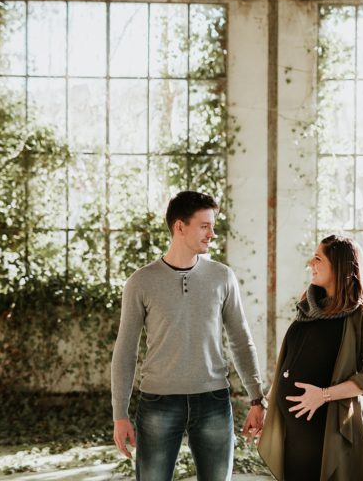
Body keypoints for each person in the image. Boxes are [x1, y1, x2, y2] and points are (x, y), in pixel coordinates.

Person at [111, 190, 266, 481]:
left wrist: (257, 398)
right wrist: (120, 414)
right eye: (204, 225)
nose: (212, 233)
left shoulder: (222, 277)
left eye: (213, 226)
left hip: (213, 401)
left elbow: (240, 339)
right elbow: (125, 350)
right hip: (158, 402)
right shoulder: (141, 282)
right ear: (179, 227)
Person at [257, 235, 363, 481]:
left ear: (340, 268)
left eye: (318, 258)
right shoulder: (310, 304)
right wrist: (267, 403)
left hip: (335, 431)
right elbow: (292, 358)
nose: (310, 263)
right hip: (296, 434)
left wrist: (323, 395)